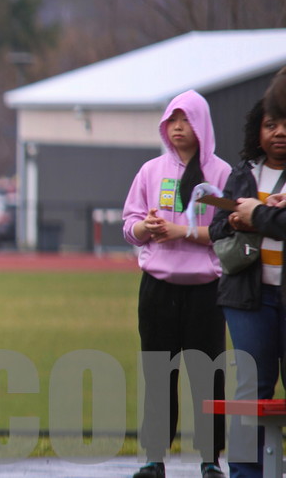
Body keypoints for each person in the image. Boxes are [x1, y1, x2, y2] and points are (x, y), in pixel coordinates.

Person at [123, 90, 229, 478]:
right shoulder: (151, 171)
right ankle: (154, 458)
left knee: (208, 374)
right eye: (173, 120)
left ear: (203, 125)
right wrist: (146, 227)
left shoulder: (222, 174)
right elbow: (130, 224)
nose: (178, 127)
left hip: (206, 290)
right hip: (158, 288)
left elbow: (227, 230)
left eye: (186, 120)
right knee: (158, 373)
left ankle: (210, 459)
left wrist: (181, 232)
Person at [215, 97, 286, 478]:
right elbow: (215, 227)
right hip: (247, 297)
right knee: (251, 386)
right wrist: (234, 222)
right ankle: (244, 472)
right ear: (257, 132)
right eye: (271, 125)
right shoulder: (243, 173)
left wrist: (262, 215)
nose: (280, 132)